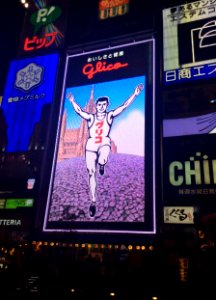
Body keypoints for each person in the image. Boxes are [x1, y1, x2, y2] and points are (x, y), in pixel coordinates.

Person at [67, 83, 144, 217]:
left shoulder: (109, 116)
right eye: (99, 105)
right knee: (91, 173)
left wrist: (135, 94)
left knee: (103, 158)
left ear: (106, 106)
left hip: (104, 143)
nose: (101, 107)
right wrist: (73, 101)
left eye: (104, 105)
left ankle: (102, 164)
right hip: (91, 145)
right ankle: (93, 201)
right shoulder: (91, 118)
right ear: (95, 106)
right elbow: (79, 111)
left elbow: (124, 107)